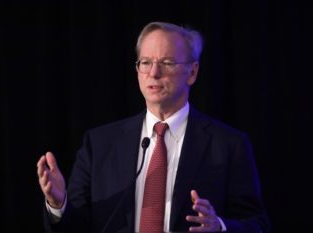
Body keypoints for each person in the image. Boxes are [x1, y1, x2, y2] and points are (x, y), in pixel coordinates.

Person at [37, 21, 270, 233]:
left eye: (166, 63)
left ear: (193, 72)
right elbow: (76, 227)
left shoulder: (229, 145)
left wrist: (219, 226)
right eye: (146, 63)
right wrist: (59, 204)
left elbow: (258, 225)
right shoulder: (99, 145)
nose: (154, 73)